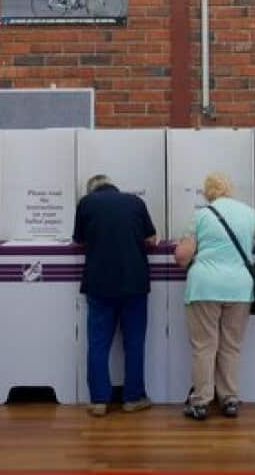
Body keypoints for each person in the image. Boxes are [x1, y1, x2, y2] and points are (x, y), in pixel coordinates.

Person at [173, 172, 255, 420]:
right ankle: (229, 399)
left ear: (207, 192)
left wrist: (189, 264)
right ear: (231, 189)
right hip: (240, 288)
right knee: (231, 345)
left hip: (204, 287)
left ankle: (200, 402)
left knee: (204, 347)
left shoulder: (201, 215)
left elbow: (181, 255)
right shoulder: (249, 212)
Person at [73, 174, 158, 417]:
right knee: (134, 342)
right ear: (114, 186)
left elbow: (78, 240)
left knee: (98, 343)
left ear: (92, 190)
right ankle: (133, 398)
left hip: (99, 283)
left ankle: (99, 400)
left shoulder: (86, 204)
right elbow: (150, 238)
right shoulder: (135, 202)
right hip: (134, 282)